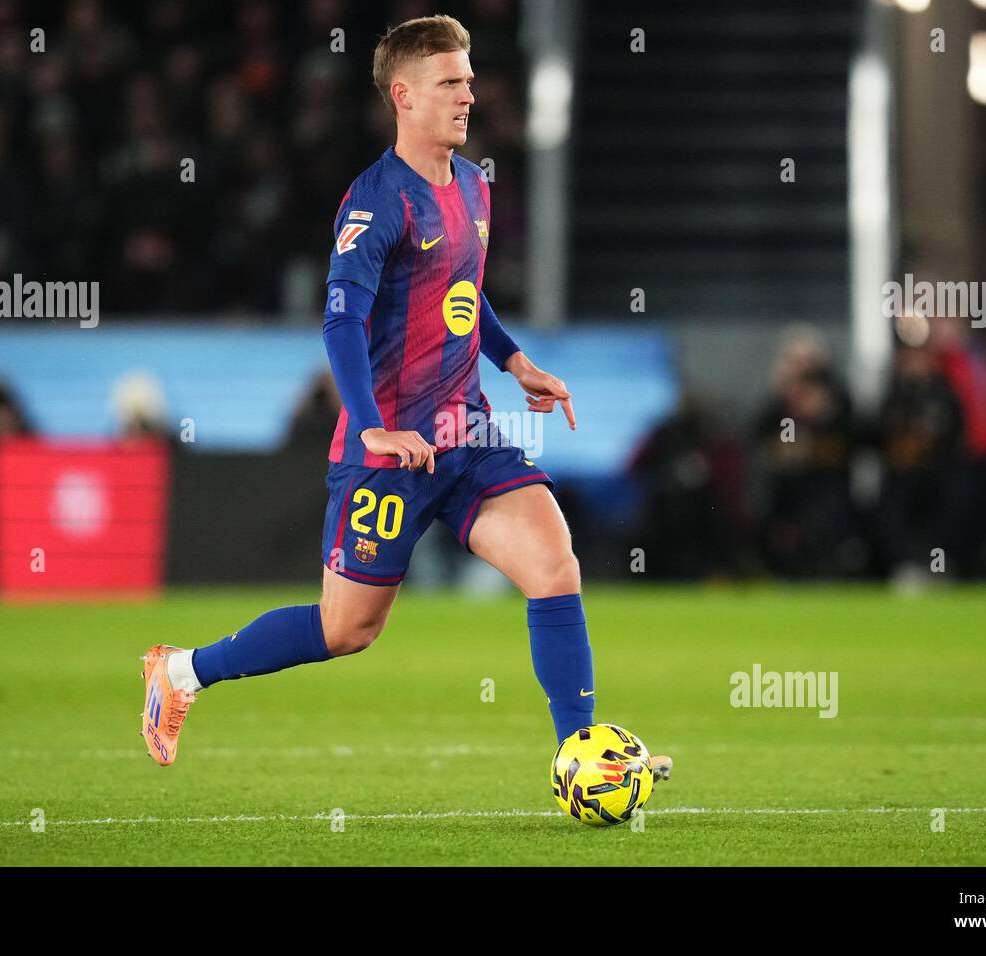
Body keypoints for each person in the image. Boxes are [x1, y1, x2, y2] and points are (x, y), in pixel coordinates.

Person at [137, 15, 671, 784]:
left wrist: (515, 361)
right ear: (404, 96)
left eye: (469, 81)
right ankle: (182, 671)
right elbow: (341, 321)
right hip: (388, 452)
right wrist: (373, 428)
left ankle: (580, 754)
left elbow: (464, 294)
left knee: (554, 565)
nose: (468, 96)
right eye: (450, 83)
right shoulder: (376, 202)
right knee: (347, 629)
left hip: (467, 436)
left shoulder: (475, 186)